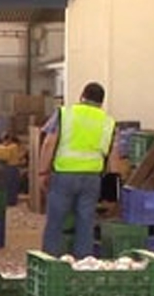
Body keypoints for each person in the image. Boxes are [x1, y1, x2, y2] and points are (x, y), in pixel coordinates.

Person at [39, 82, 115, 258]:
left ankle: (50, 261)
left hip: (64, 176)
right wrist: (112, 191)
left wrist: (42, 171)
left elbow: (49, 143)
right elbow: (114, 156)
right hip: (92, 178)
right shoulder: (107, 122)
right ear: (102, 102)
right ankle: (83, 264)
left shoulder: (65, 114)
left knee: (56, 221)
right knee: (86, 223)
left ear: (82, 96)